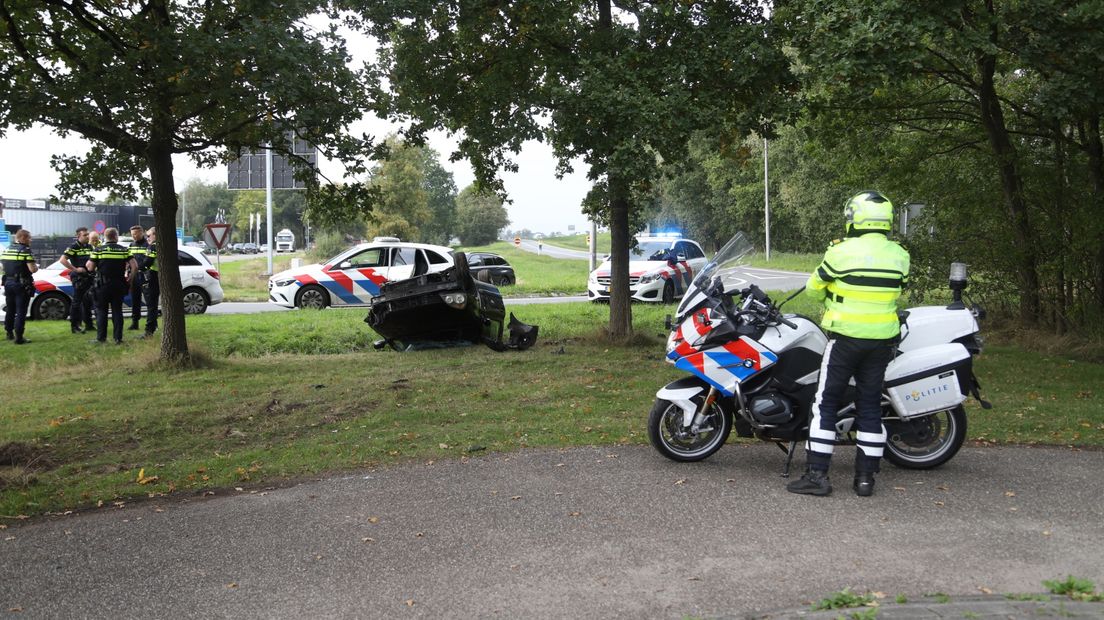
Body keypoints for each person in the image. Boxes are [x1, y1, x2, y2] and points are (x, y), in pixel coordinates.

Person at [787, 190, 910, 498]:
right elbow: (898, 290)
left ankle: (817, 475)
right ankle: (865, 479)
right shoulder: (899, 255)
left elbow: (813, 290)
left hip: (845, 340)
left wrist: (834, 292)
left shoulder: (840, 252)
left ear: (856, 217)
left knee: (825, 403)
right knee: (870, 406)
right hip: (881, 341)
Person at [86, 227, 138, 345]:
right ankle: (118, 339)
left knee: (102, 311)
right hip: (119, 284)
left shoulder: (99, 250)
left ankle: (101, 338)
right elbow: (134, 266)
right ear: (116, 237)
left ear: (105, 237)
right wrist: (130, 279)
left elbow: (90, 267)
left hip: (102, 285)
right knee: (117, 311)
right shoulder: (124, 250)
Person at [1, 229, 39, 345]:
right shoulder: (25, 251)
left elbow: (2, 267)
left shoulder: (7, 250)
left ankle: (9, 333)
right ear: (22, 238)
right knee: (21, 311)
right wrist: (36, 267)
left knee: (10, 309)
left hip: (8, 282)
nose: (30, 240)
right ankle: (19, 337)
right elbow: (32, 269)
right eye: (29, 238)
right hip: (21, 285)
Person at [60, 227, 95, 334]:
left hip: (89, 276)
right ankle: (75, 326)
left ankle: (89, 324)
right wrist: (75, 269)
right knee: (77, 302)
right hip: (79, 277)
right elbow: (62, 260)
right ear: (78, 236)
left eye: (88, 234)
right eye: (85, 235)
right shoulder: (74, 247)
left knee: (88, 302)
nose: (87, 236)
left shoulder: (89, 247)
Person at [127, 225, 149, 330]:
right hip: (134, 276)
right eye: (132, 234)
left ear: (142, 233)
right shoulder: (131, 245)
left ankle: (152, 324)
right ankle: (134, 323)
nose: (134, 236)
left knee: (149, 301)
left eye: (136, 234)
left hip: (145, 276)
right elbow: (128, 261)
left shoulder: (148, 244)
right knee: (135, 300)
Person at [140, 227, 159, 337]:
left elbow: (147, 263)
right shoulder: (165, 245)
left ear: (155, 235)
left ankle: (149, 331)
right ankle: (154, 326)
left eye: (149, 235)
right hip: (161, 277)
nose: (147, 238)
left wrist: (138, 267)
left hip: (153, 277)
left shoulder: (152, 247)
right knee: (155, 305)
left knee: (151, 305)